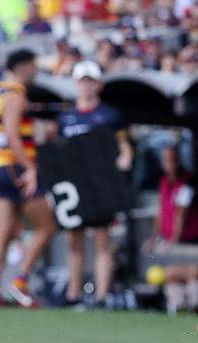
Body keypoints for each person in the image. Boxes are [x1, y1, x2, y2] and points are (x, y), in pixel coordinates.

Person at [0, 48, 58, 308]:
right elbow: (14, 137)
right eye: (34, 65)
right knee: (46, 225)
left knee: (3, 232)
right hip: (16, 166)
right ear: (23, 66)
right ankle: (19, 283)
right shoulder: (16, 96)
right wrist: (30, 167)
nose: (36, 71)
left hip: (0, 166)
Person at [56, 61, 132, 307]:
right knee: (74, 240)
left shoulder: (110, 115)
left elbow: (123, 146)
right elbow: (58, 151)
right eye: (82, 81)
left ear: (98, 85)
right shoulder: (66, 117)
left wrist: (123, 161)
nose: (86, 86)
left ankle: (101, 295)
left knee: (102, 239)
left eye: (90, 81)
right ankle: (73, 293)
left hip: (101, 182)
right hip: (75, 183)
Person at [147, 145, 198, 313]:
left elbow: (181, 211)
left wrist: (173, 239)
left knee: (194, 273)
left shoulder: (188, 182)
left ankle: (197, 307)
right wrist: (153, 237)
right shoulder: (164, 181)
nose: (169, 163)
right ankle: (178, 308)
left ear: (179, 160)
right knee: (171, 276)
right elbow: (161, 210)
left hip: (190, 243)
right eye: (166, 159)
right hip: (171, 242)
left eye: (172, 159)